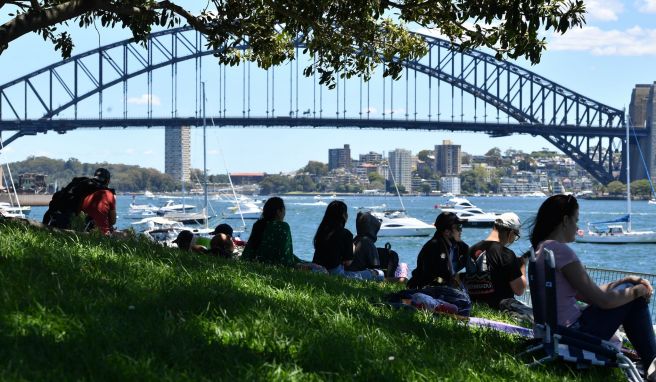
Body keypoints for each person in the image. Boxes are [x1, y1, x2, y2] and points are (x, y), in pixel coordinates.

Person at [531, 194, 656, 372]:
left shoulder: (543, 249)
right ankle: (652, 362)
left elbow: (588, 292)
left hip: (555, 331)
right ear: (565, 220)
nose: (577, 227)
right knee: (634, 299)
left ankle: (651, 362)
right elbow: (603, 301)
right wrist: (639, 291)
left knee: (627, 289)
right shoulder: (561, 251)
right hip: (573, 334)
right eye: (576, 220)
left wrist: (625, 280)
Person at [463, 212, 527, 309]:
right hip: (500, 308)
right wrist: (522, 265)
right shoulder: (505, 254)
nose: (514, 239)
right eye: (516, 236)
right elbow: (519, 290)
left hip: (474, 307)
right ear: (510, 233)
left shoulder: (471, 250)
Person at [312, 201, 380, 280]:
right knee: (378, 274)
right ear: (343, 215)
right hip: (336, 273)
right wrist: (353, 249)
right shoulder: (346, 234)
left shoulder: (321, 231)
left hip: (316, 270)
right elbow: (348, 262)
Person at [407, 212, 469, 289]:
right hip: (428, 287)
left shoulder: (458, 244)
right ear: (447, 232)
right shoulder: (433, 247)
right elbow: (432, 276)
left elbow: (469, 254)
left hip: (446, 284)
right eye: (458, 227)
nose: (461, 231)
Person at [43, 167, 116, 234]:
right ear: (107, 181)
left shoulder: (82, 184)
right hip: (69, 223)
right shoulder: (105, 193)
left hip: (53, 218)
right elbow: (112, 221)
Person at [242, 197, 302, 266]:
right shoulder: (282, 227)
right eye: (284, 210)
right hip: (276, 267)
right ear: (278, 211)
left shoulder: (258, 225)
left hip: (256, 264)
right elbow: (285, 257)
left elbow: (249, 251)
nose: (284, 213)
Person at [80, 168, 116, 235]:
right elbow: (113, 221)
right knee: (127, 233)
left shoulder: (84, 192)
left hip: (84, 229)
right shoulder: (109, 194)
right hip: (102, 233)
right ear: (107, 181)